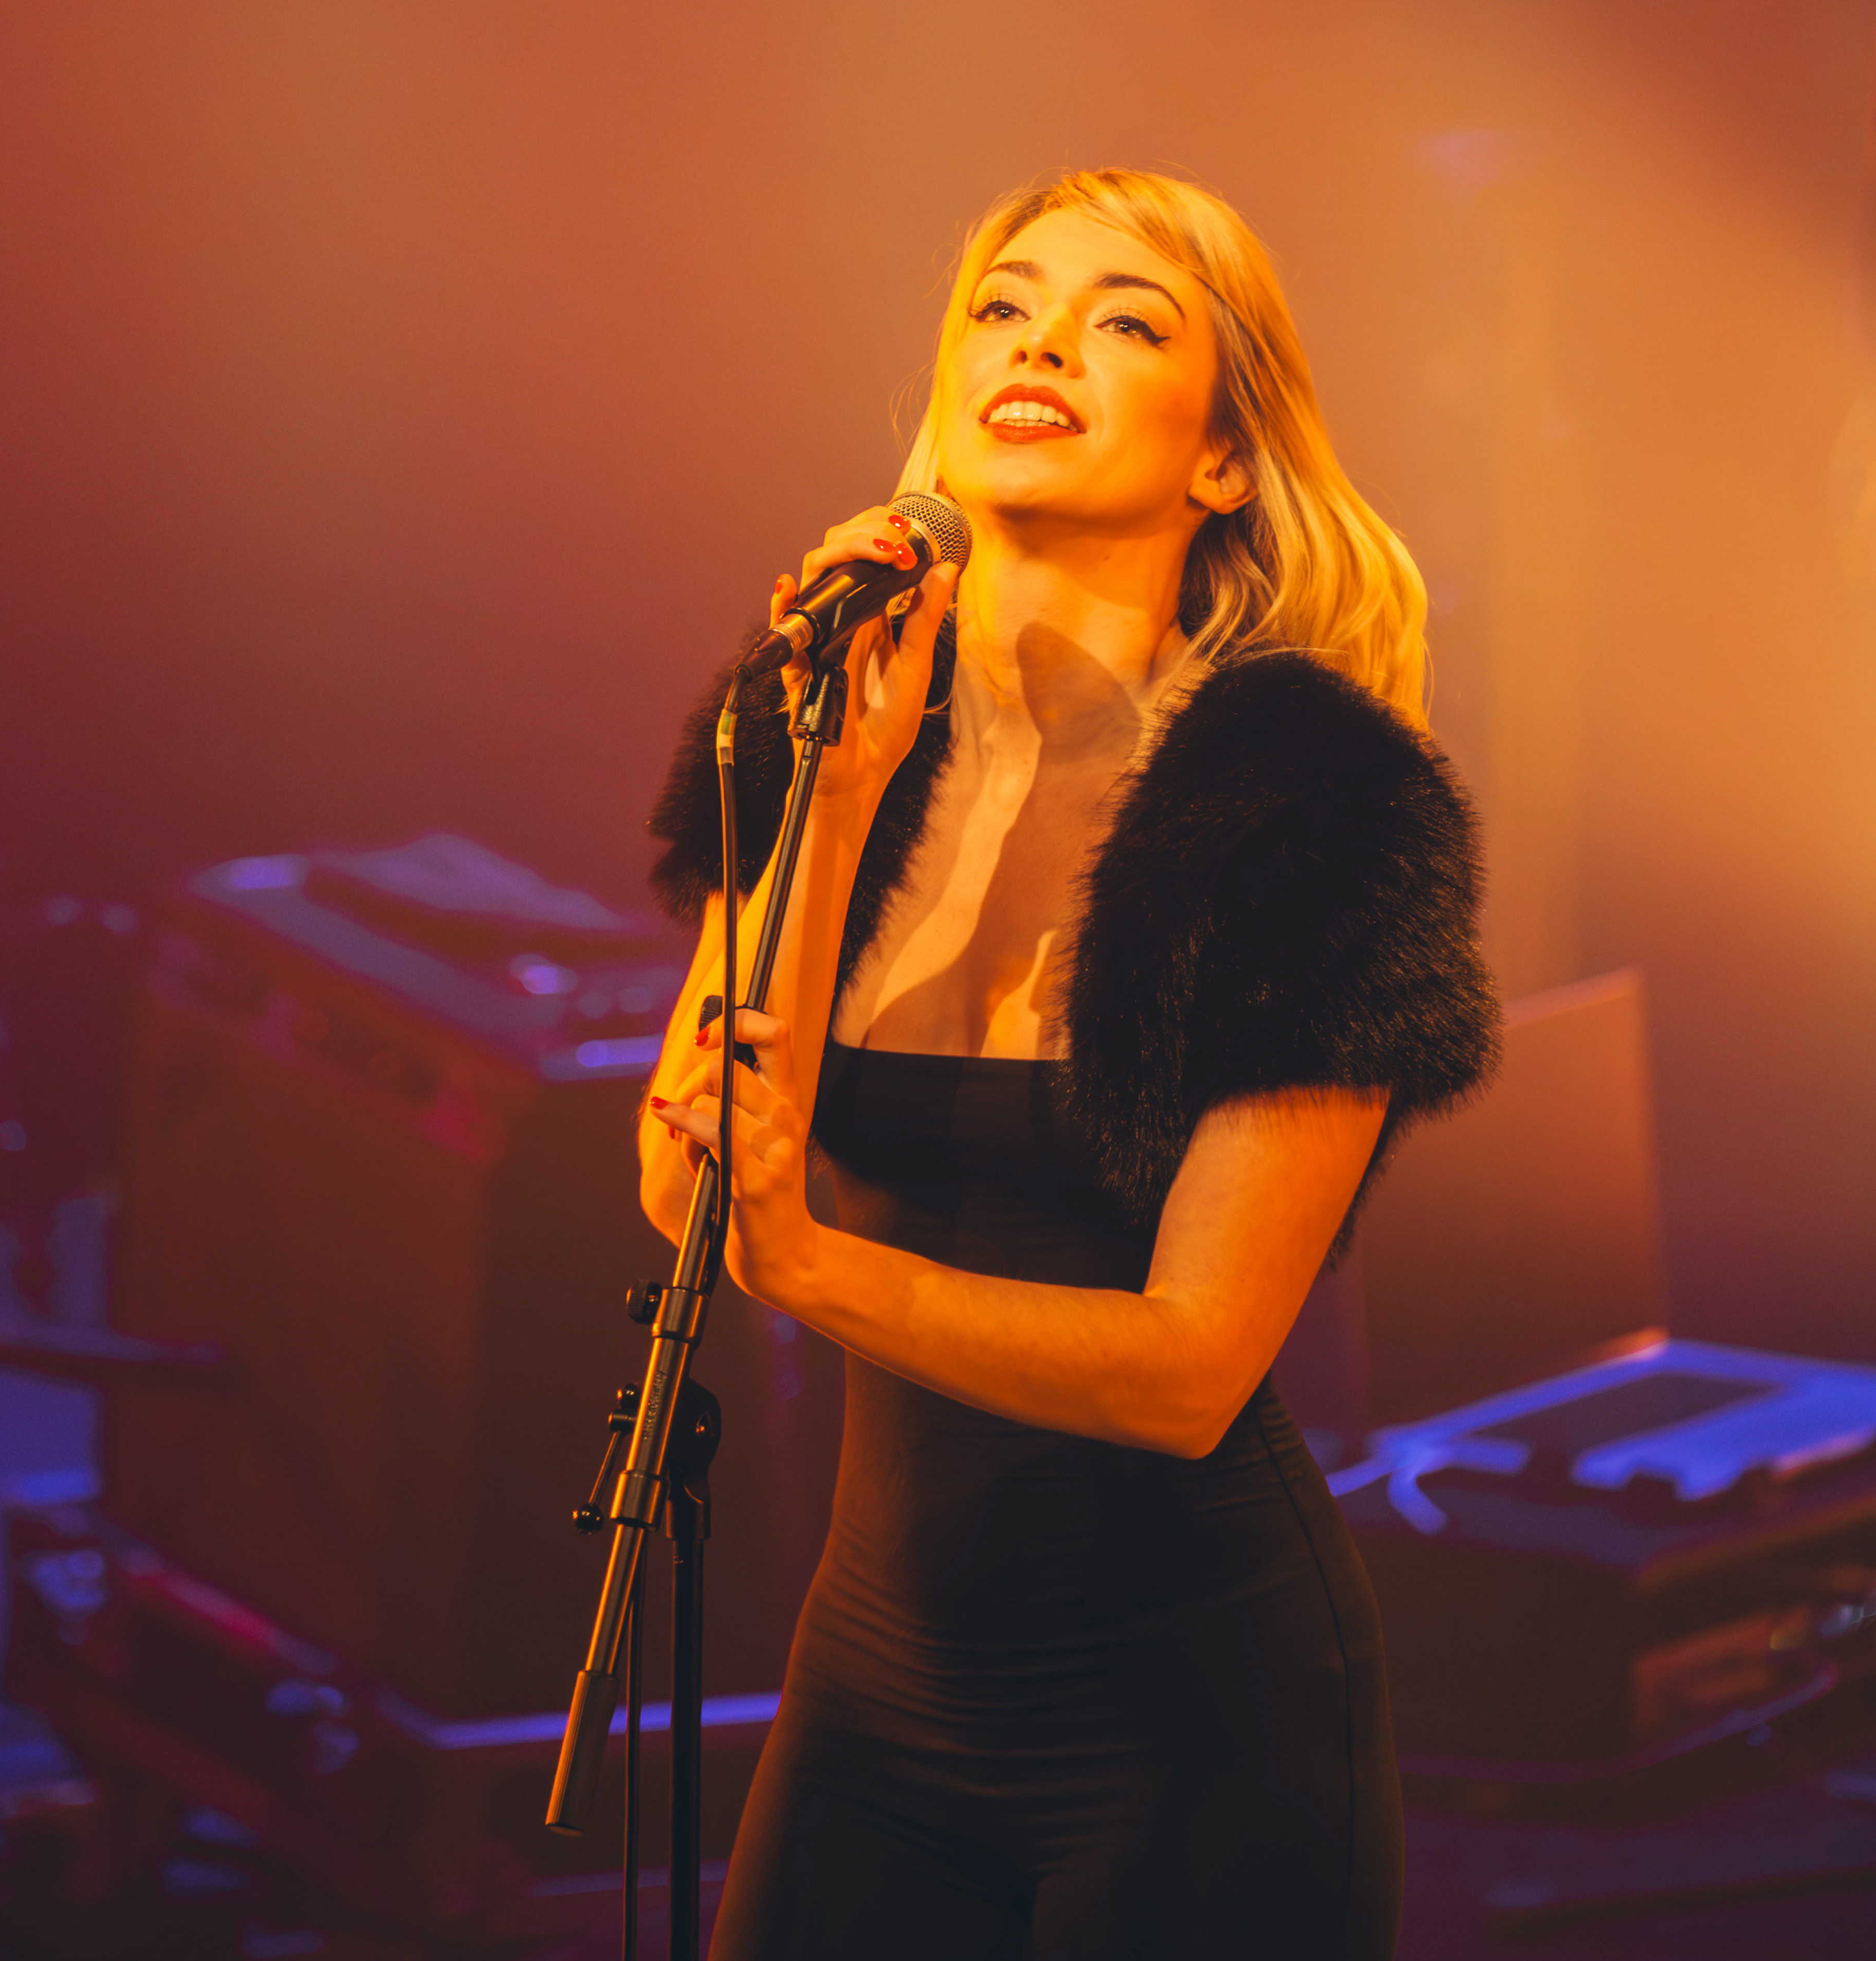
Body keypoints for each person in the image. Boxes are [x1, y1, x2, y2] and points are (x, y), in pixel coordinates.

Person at [638, 166, 1495, 1959]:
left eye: (1124, 322)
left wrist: (814, 1269)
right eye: (1004, 308)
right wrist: (841, 792)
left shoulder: (1314, 809)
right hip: (871, 1690)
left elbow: (1190, 1369)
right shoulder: (809, 722)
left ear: (1225, 460)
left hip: (1194, 1728)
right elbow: (689, 1170)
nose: (1041, 346)